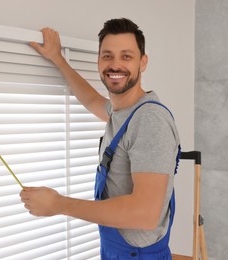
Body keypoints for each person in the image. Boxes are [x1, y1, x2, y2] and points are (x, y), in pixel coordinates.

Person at [20, 18, 181, 259]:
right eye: (107, 56)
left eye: (126, 56)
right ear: (99, 61)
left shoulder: (149, 120)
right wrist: (58, 59)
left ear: (143, 62)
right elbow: (92, 100)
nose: (115, 65)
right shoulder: (121, 113)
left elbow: (146, 214)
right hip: (117, 250)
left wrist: (58, 204)